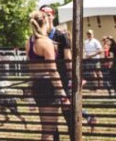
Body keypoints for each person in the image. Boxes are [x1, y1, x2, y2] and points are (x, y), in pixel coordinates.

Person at [25, 11, 69, 141]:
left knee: (45, 129)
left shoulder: (29, 42)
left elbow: (31, 69)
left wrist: (30, 88)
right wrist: (62, 94)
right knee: (49, 131)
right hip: (48, 87)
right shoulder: (46, 42)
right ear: (45, 22)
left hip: (37, 87)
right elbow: (53, 70)